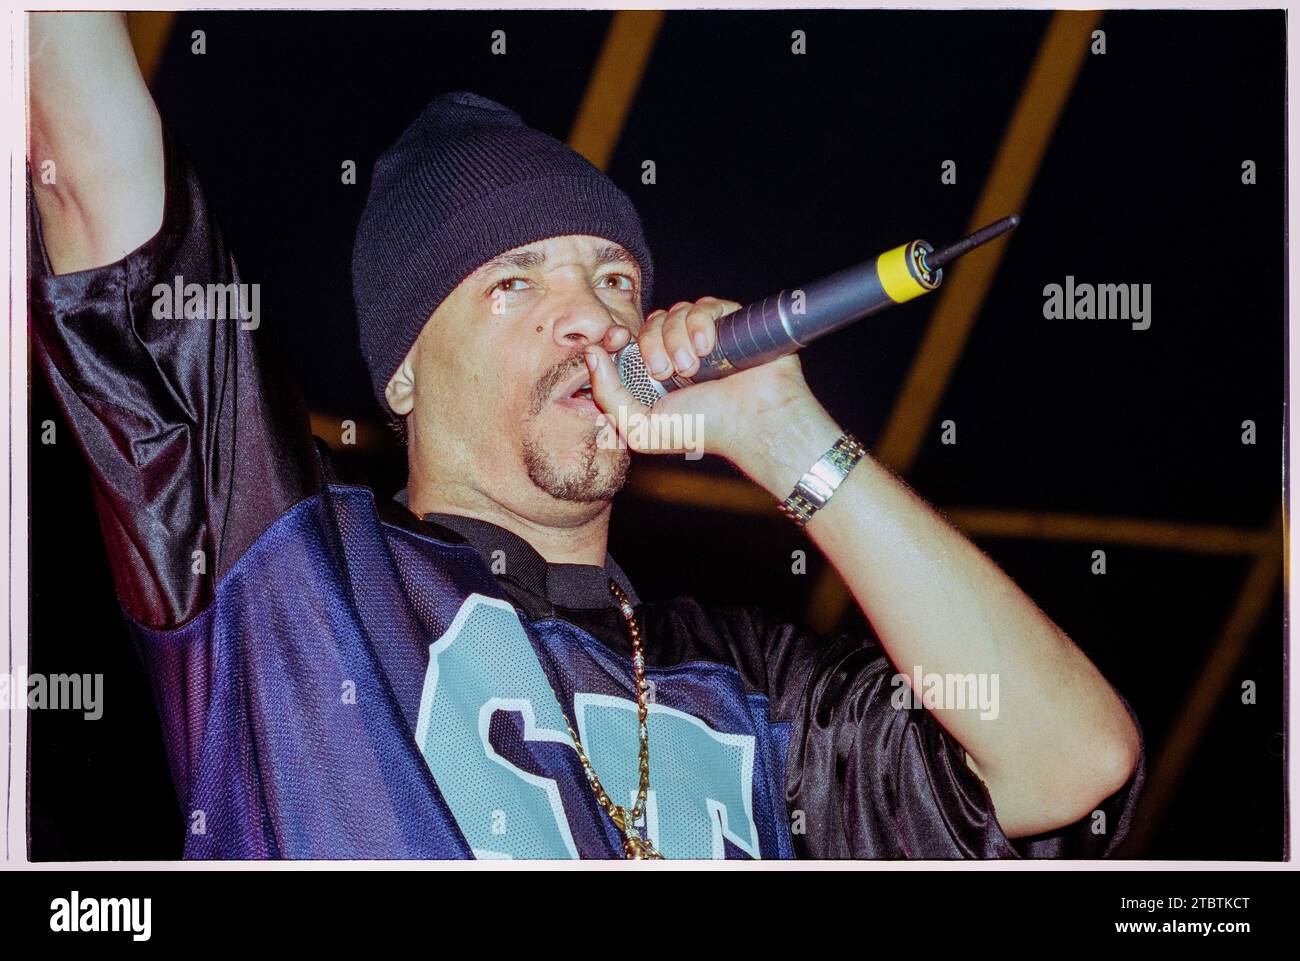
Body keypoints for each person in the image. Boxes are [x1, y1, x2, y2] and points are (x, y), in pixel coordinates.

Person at [28, 12, 1143, 859]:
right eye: (512, 283)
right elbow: (90, 171)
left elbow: (1070, 762)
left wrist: (784, 434)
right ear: (403, 371)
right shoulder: (287, 564)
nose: (595, 316)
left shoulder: (743, 678)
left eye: (613, 276)